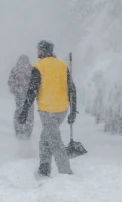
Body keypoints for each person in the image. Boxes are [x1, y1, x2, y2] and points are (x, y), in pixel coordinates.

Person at [16, 40, 77, 177]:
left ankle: (66, 171)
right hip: (62, 109)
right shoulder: (62, 65)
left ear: (43, 51)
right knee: (46, 137)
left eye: (38, 49)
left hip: (47, 109)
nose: (37, 51)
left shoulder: (39, 67)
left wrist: (24, 110)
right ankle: (44, 167)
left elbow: (32, 91)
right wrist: (73, 110)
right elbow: (72, 89)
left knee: (55, 141)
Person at [8, 55, 33, 139]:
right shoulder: (31, 69)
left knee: (19, 111)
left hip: (19, 94)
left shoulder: (15, 69)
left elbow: (10, 82)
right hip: (29, 95)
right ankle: (28, 131)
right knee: (29, 112)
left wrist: (15, 90)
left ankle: (18, 130)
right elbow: (35, 81)